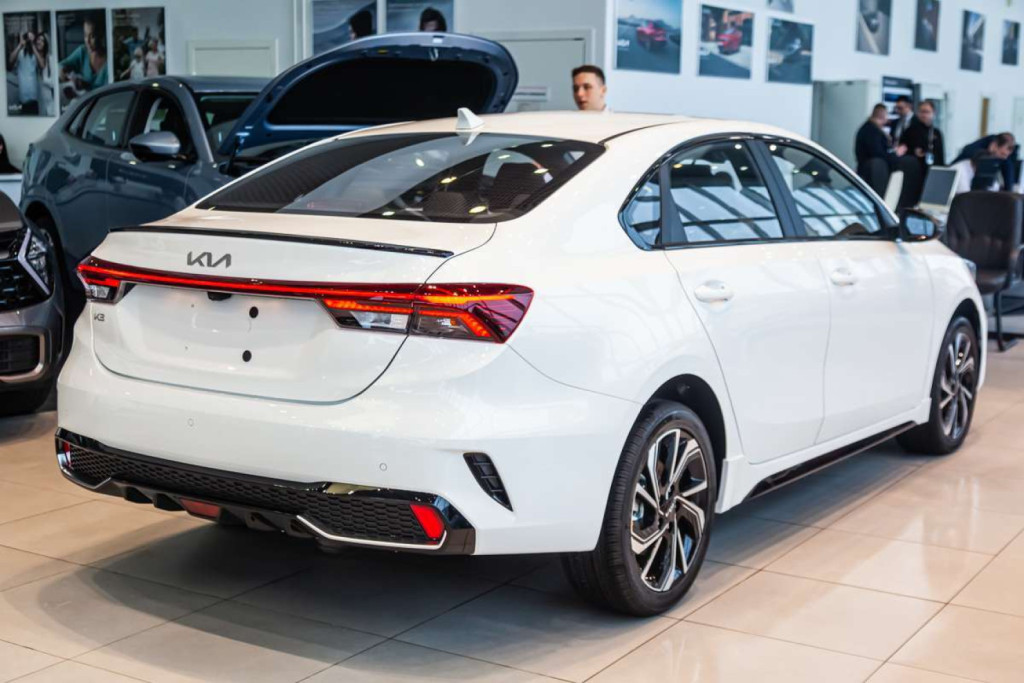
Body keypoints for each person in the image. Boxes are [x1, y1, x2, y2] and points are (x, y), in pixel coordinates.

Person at [855, 103, 906, 191]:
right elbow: (877, 153)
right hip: (874, 173)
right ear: (883, 116)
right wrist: (895, 154)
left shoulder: (869, 128)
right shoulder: (872, 131)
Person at [58, 16, 108, 98]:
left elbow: (108, 93)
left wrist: (86, 85)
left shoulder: (109, 61)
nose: (87, 41)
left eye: (92, 36)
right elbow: (61, 64)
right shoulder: (82, 51)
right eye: (85, 35)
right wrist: (62, 70)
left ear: (101, 36)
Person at [952, 132, 1018, 189]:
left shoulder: (1004, 154)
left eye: (1007, 155)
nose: (1004, 158)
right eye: (1002, 154)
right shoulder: (973, 150)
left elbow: (1008, 175)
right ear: (994, 146)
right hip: (958, 178)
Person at [7, 30, 46, 115]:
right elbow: (10, 61)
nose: (29, 41)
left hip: (34, 96)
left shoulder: (36, 54)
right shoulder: (20, 52)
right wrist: (20, 44)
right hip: (23, 97)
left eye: (31, 39)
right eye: (27, 38)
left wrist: (33, 46)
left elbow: (42, 65)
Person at [900, 100, 945, 169]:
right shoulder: (909, 131)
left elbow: (940, 155)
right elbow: (902, 151)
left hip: (933, 168)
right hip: (914, 168)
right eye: (922, 112)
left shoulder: (937, 132)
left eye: (927, 112)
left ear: (933, 113)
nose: (924, 115)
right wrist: (914, 151)